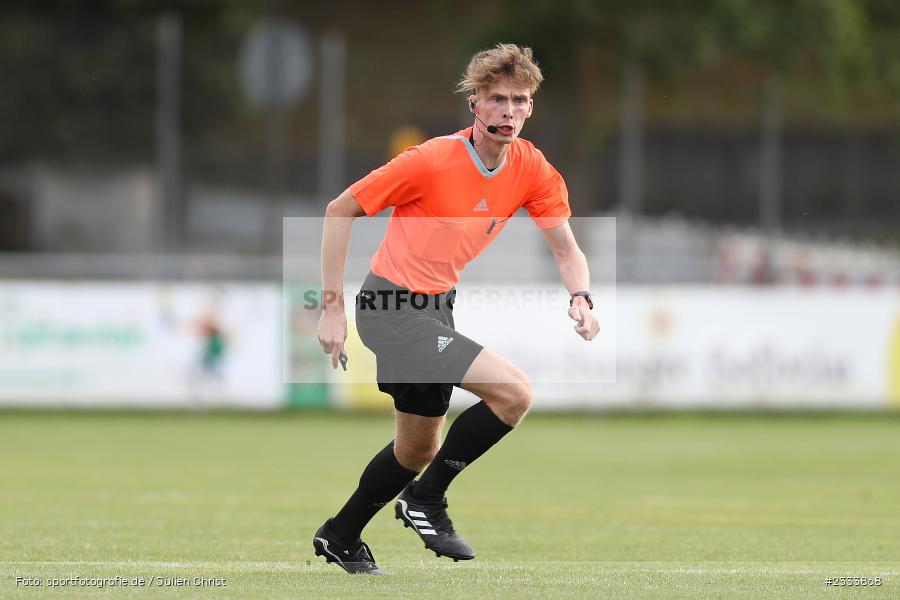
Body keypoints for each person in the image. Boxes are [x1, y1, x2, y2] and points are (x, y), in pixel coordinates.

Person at [312, 43, 600, 575]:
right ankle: (426, 500)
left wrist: (580, 296)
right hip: (390, 306)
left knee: (417, 449)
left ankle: (341, 535)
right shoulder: (430, 159)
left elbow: (566, 249)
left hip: (437, 309)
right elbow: (339, 210)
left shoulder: (531, 167)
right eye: (497, 99)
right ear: (475, 104)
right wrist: (331, 308)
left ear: (530, 107)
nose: (508, 111)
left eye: (519, 101)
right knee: (513, 393)